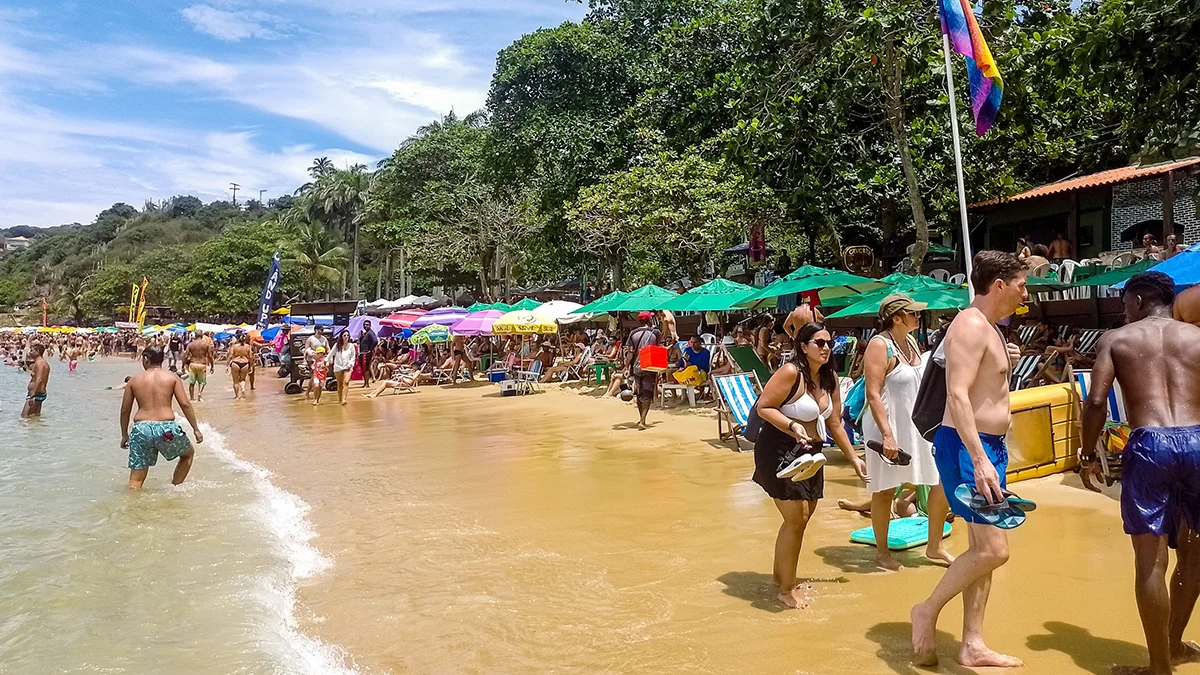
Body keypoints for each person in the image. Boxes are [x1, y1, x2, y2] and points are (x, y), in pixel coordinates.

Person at [1080, 271, 1200, 675]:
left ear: (1140, 299)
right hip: (1199, 443)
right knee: (1193, 554)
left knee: (1150, 563)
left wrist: (1086, 453)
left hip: (1151, 445)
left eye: (1126, 301)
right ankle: (1174, 645)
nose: (1122, 309)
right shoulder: (1198, 338)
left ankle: (1159, 667)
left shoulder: (1117, 339)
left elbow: (1096, 401)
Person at [911, 250, 1027, 669]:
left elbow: (980, 387)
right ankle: (926, 608)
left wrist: (1003, 362)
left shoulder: (991, 329)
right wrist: (979, 460)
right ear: (999, 285)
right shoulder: (970, 325)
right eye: (1020, 283)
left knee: (982, 549)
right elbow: (957, 395)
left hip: (985, 446)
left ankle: (972, 643)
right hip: (967, 447)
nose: (1024, 291)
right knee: (996, 550)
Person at [752, 322, 868, 608]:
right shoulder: (791, 372)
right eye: (819, 342)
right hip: (780, 449)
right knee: (796, 518)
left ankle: (780, 578)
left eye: (829, 342)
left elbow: (835, 424)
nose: (826, 347)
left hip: (812, 454)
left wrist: (854, 458)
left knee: (800, 520)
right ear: (803, 347)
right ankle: (786, 590)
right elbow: (763, 407)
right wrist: (792, 424)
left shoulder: (830, 379)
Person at [862, 295, 952, 571]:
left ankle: (934, 546)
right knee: (885, 489)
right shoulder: (880, 345)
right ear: (897, 317)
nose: (918, 316)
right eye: (912, 312)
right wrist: (888, 435)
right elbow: (873, 394)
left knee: (940, 481)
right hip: (887, 424)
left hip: (916, 424)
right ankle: (882, 552)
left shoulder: (910, 342)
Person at [120, 346, 203, 490]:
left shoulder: (134, 380)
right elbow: (185, 403)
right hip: (166, 429)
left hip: (141, 429)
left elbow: (125, 410)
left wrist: (124, 435)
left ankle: (132, 509)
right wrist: (195, 429)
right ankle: (175, 489)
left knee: (136, 478)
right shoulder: (172, 377)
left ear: (146, 359)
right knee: (188, 454)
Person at [627, 311, 663, 430]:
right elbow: (659, 349)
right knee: (647, 392)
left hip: (636, 367)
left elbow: (630, 353)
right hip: (649, 366)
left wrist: (626, 367)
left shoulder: (633, 333)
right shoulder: (656, 332)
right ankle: (643, 420)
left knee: (639, 392)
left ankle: (640, 417)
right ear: (649, 320)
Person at [21, 344, 50, 418]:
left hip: (36, 393)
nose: (30, 352)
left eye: (31, 351)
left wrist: (33, 393)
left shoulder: (40, 363)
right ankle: (35, 429)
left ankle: (27, 429)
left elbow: (39, 379)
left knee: (24, 416)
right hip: (39, 393)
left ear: (37, 351)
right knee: (35, 417)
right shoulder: (42, 362)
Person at [182, 333, 212, 401]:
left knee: (192, 383)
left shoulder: (190, 344)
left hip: (193, 364)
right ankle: (199, 393)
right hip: (202, 364)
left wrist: (183, 366)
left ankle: (192, 398)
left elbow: (186, 356)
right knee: (202, 382)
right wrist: (212, 366)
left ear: (195, 336)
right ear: (202, 336)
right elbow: (210, 356)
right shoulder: (206, 344)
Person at [331, 330, 357, 405]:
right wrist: (326, 362)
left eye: (347, 335)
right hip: (338, 367)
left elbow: (353, 357)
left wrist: (350, 364)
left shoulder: (351, 346)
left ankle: (344, 399)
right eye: (344, 335)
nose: (346, 337)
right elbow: (330, 354)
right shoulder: (337, 345)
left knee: (346, 382)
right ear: (341, 337)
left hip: (348, 367)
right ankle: (340, 399)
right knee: (339, 384)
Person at [227, 333, 254, 400]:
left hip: (235, 363)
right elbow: (251, 357)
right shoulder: (248, 346)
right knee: (242, 379)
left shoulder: (234, 346)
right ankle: (243, 389)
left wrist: (227, 365)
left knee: (235, 381)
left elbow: (230, 356)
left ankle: (237, 396)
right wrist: (251, 366)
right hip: (245, 363)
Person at [358, 320, 378, 388]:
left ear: (370, 325)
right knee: (364, 368)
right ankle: (365, 383)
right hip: (363, 352)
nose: (365, 326)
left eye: (367, 325)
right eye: (364, 324)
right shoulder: (365, 333)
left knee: (365, 368)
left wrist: (370, 350)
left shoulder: (370, 333)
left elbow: (375, 341)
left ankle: (366, 384)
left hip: (366, 353)